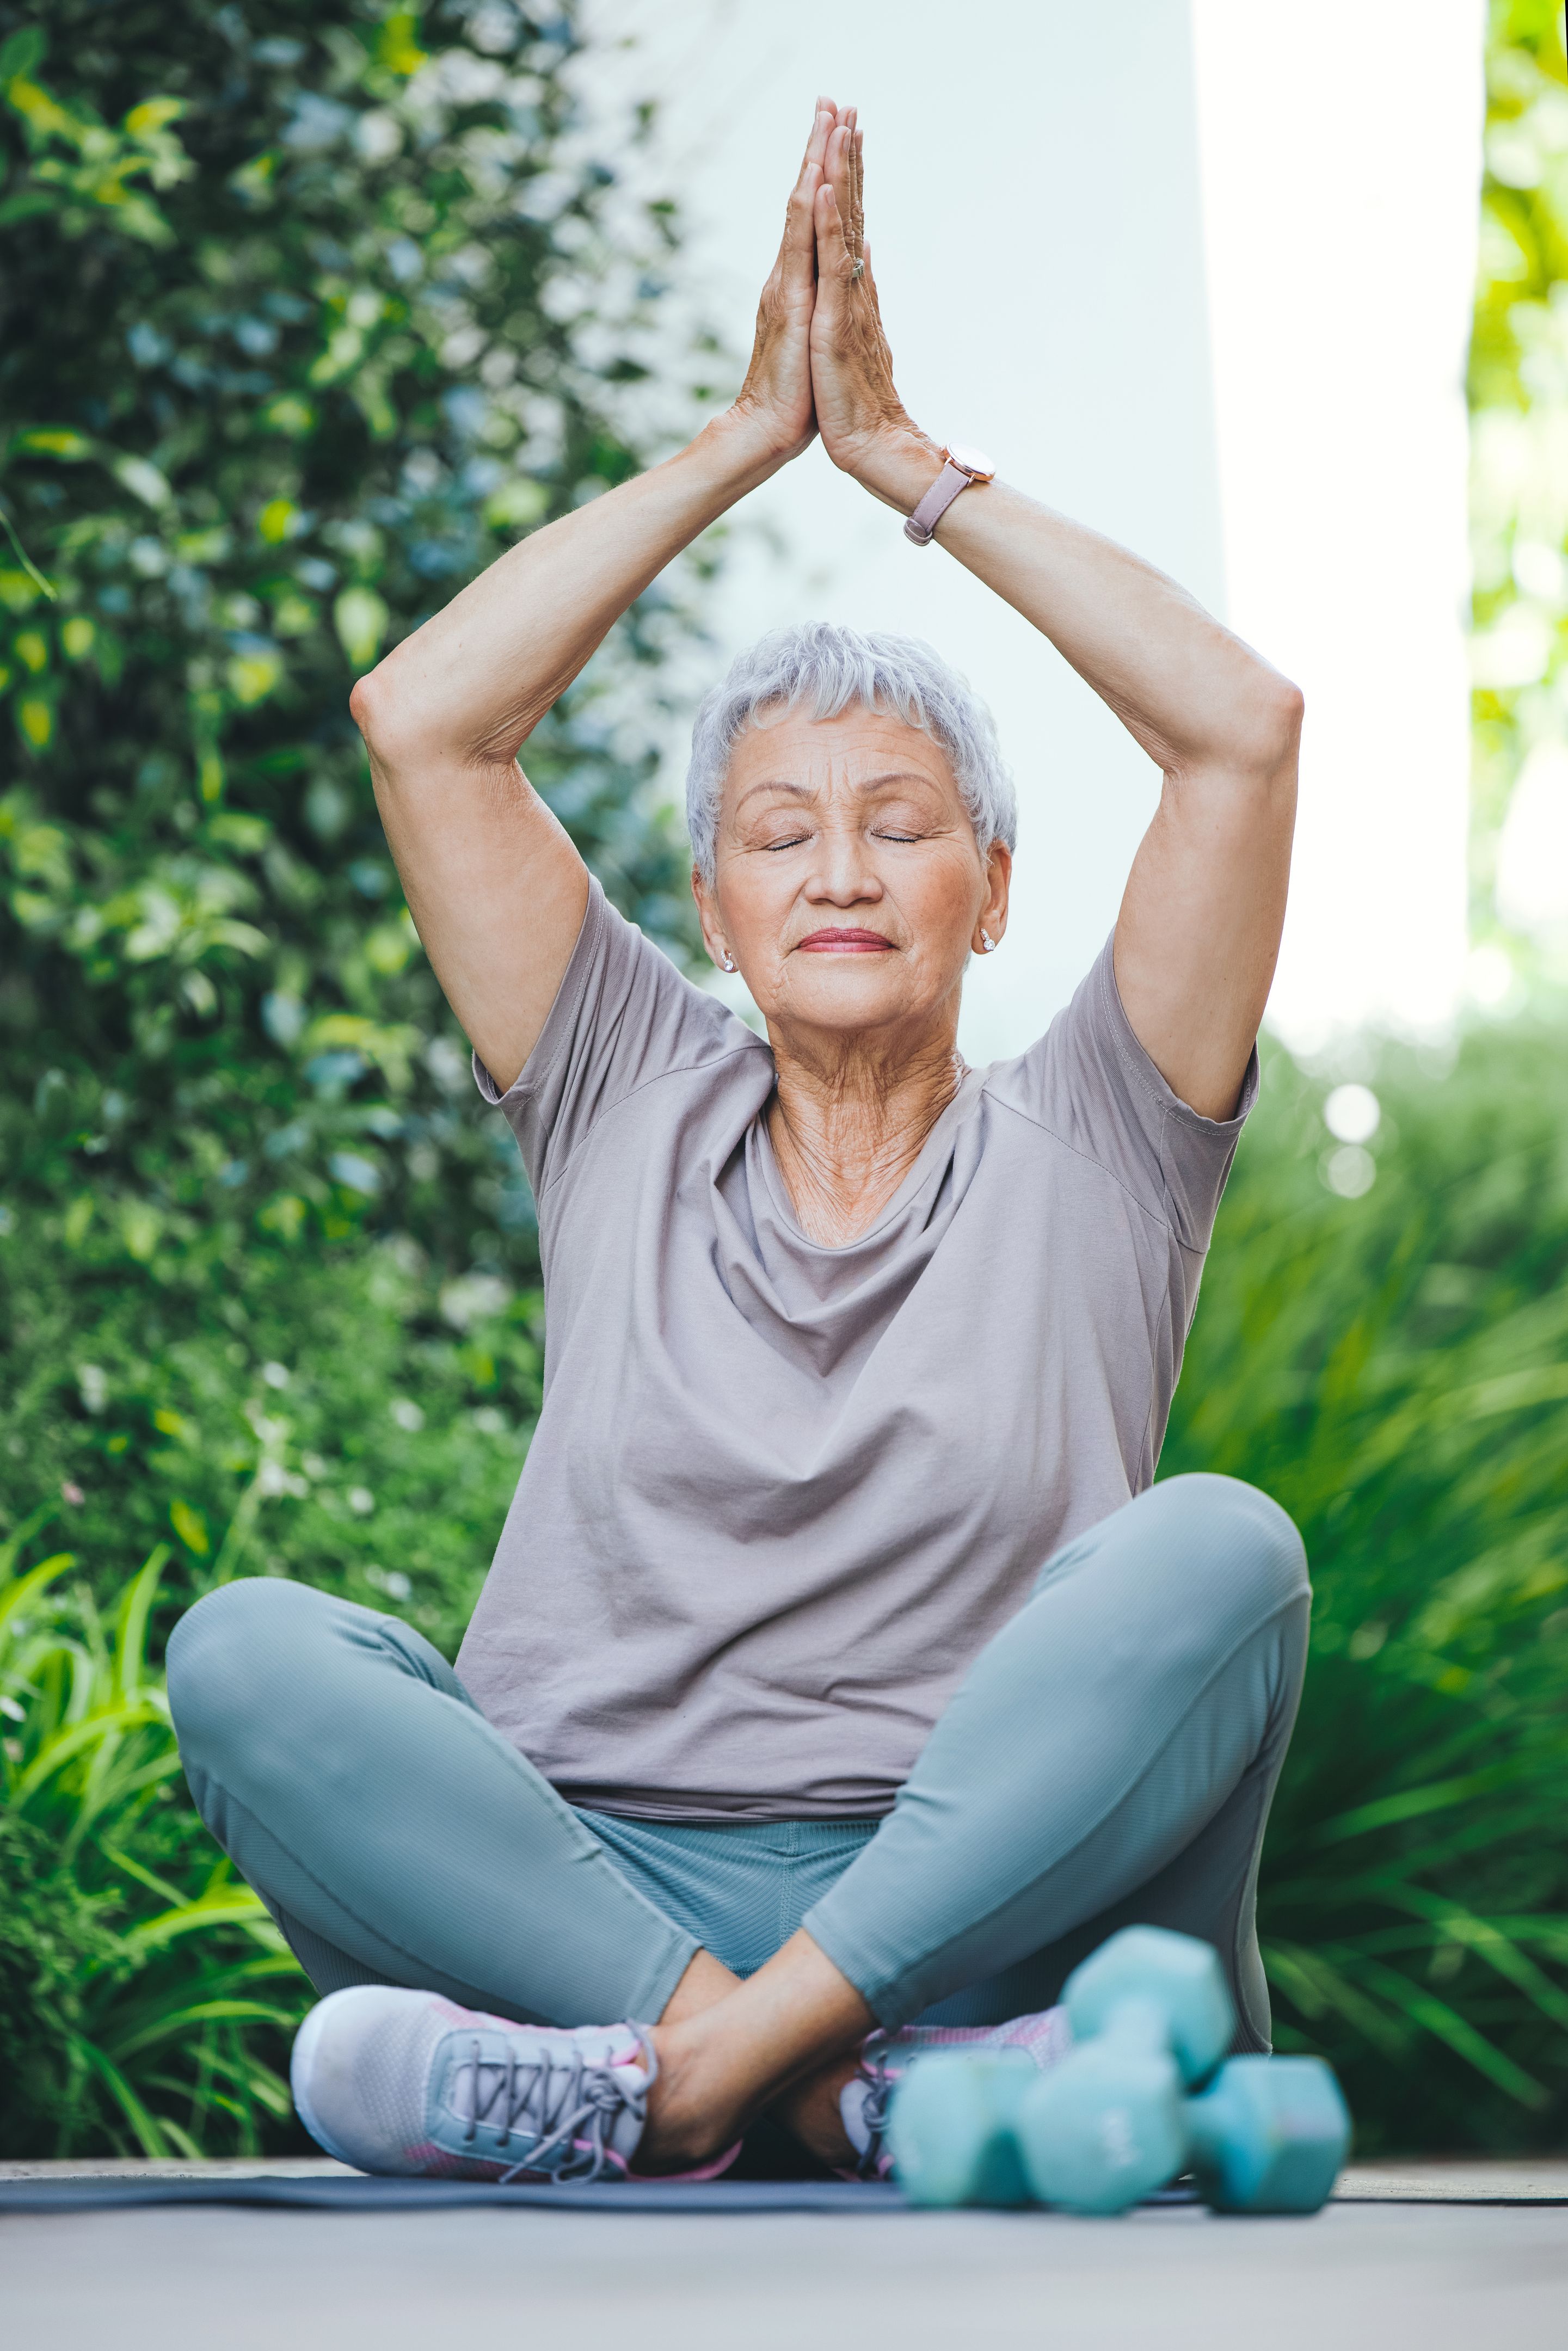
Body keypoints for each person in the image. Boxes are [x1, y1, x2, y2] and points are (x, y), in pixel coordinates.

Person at [167, 100, 1309, 2187]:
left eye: (901, 823)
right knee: (244, 1653)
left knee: (1223, 1547)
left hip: (980, 1917)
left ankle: (698, 2093)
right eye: (779, 836)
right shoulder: (621, 1087)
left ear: (993, 886)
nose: (842, 869)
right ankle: (807, 2093)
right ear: (709, 910)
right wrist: (734, 445)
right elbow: (427, 721)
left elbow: (1236, 728)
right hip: (586, 1909)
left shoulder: (1100, 1136)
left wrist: (904, 465)